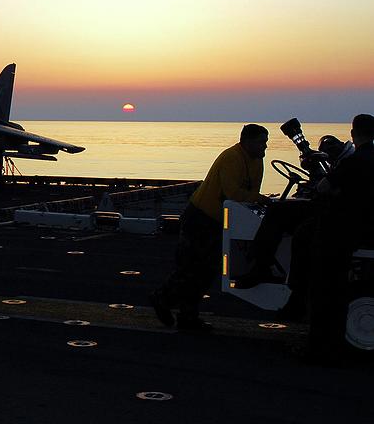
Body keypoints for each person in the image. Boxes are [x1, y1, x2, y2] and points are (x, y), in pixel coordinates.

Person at [150, 124, 270, 330]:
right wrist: (261, 200)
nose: (265, 147)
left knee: (206, 271)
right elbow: (233, 192)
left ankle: (187, 317)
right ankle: (163, 299)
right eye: (261, 142)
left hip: (217, 222)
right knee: (190, 268)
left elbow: (248, 193)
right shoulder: (232, 158)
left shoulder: (257, 161)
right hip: (200, 217)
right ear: (247, 142)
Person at [233, 134, 355, 293]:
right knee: (281, 213)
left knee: (277, 212)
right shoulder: (352, 160)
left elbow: (323, 187)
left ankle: (261, 266)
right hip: (336, 212)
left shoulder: (348, 164)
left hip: (332, 214)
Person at [301, 114, 374, 363]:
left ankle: (318, 348)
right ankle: (334, 345)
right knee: (339, 293)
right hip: (361, 231)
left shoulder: (353, 162)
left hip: (337, 232)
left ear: (354, 134)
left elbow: (322, 188)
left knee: (323, 293)